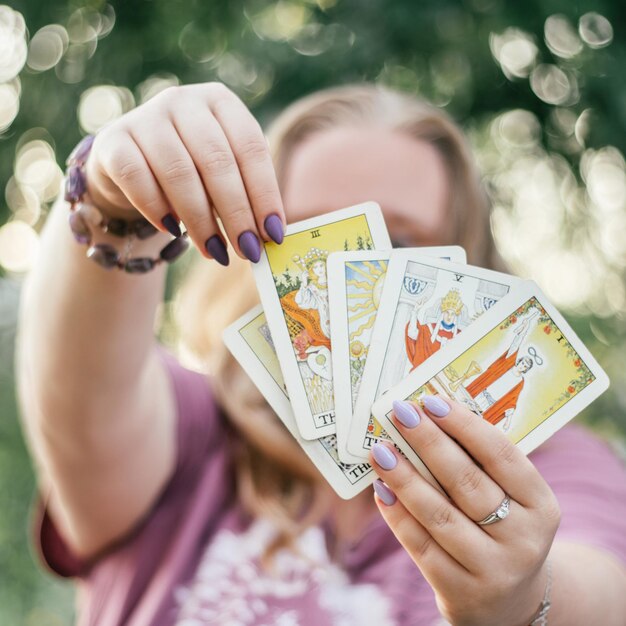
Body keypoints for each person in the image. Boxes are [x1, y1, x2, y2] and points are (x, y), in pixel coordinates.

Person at [15, 83, 626, 626]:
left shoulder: (546, 463)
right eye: (305, 233)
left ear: (464, 271)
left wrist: (526, 601)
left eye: (398, 239)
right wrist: (113, 199)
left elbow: (601, 590)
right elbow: (78, 383)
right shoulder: (196, 433)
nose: (343, 272)